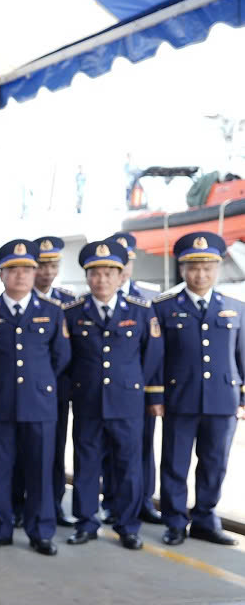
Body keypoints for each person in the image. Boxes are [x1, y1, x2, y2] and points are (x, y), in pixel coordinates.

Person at [62, 239, 161, 551]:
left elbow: (152, 356)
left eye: (108, 273)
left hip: (127, 403)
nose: (101, 280)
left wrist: (138, 387)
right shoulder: (72, 313)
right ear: (87, 277)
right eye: (95, 273)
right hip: (88, 401)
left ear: (120, 277)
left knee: (128, 467)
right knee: (86, 464)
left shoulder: (141, 311)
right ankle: (86, 522)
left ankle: (127, 526)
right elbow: (65, 358)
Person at [0, 240, 71, 555]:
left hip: (39, 404)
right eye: (13, 270)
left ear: (34, 273)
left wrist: (37, 383)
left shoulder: (52, 311)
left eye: (27, 270)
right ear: (1, 275)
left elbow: (60, 357)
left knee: (40, 471)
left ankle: (40, 531)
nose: (21, 275)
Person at [153, 231, 245, 547]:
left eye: (207, 267)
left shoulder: (236, 307)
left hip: (223, 400)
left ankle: (205, 520)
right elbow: (157, 358)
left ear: (217, 268)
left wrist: (243, 398)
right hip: (180, 399)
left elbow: (242, 356)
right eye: (193, 267)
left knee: (214, 464)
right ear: (182, 269)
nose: (200, 274)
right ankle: (175, 522)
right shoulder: (163, 308)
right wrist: (156, 396)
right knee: (175, 463)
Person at [108, 231, 166, 525]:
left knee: (143, 447)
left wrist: (152, 391)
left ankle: (143, 501)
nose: (123, 268)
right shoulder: (93, 297)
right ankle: (112, 501)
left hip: (141, 389)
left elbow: (156, 351)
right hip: (109, 390)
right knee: (109, 449)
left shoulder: (151, 298)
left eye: (127, 261)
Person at [28, 236, 80, 527]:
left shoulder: (69, 302)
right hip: (24, 390)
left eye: (53, 265)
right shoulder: (18, 296)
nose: (48, 272)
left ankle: (54, 504)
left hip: (57, 390)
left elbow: (70, 351)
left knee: (55, 451)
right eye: (43, 265)